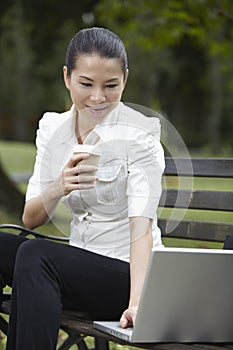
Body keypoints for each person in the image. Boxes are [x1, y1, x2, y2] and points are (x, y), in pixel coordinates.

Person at [0, 27, 165, 350]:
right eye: (86, 84)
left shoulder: (141, 136)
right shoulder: (52, 129)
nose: (98, 97)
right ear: (67, 77)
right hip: (74, 268)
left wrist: (137, 304)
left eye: (111, 85)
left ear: (125, 80)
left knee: (36, 256)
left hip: (126, 276)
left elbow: (141, 229)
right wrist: (58, 187)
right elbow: (31, 218)